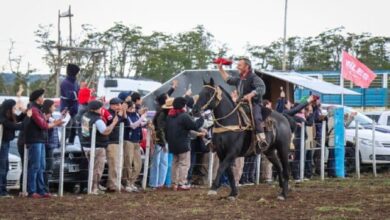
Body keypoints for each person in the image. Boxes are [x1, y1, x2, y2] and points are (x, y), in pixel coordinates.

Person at [216, 58, 267, 151]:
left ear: (247, 67)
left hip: (254, 104)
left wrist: (251, 94)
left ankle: (261, 139)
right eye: (238, 65)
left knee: (256, 117)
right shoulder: (239, 78)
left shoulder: (254, 78)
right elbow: (228, 79)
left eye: (240, 65)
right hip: (240, 104)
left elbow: (261, 88)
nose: (237, 67)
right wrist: (220, 69)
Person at [26, 89, 63, 198]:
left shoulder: (37, 109)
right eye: (42, 96)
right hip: (36, 140)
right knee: (36, 166)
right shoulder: (34, 110)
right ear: (38, 98)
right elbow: (43, 125)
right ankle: (32, 191)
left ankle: (40, 190)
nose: (43, 98)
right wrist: (55, 123)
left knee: (41, 166)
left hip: (40, 140)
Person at [165, 97, 204, 190]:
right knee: (184, 163)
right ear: (183, 105)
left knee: (175, 163)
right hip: (182, 143)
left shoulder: (169, 116)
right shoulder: (184, 116)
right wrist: (202, 119)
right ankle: (181, 183)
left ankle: (174, 183)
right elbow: (194, 126)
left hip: (172, 144)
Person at [81, 100, 118, 195]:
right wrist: (113, 123)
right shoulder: (97, 120)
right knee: (98, 169)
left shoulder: (85, 116)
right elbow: (105, 131)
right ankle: (94, 188)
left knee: (92, 168)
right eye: (100, 108)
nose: (102, 109)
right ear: (96, 109)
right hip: (97, 146)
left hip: (86, 145)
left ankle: (92, 186)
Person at [0, 100, 30, 197]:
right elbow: (18, 126)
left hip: (5, 143)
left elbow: (17, 118)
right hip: (2, 144)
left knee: (5, 167)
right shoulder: (3, 119)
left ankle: (3, 189)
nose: (14, 109)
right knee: (2, 168)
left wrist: (24, 114)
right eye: (13, 108)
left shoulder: (7, 117)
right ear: (8, 109)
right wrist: (28, 117)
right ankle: (1, 191)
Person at [123, 100, 147, 192]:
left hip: (137, 141)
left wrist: (146, 122)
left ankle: (132, 181)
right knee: (128, 162)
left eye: (133, 107)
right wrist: (142, 118)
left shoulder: (136, 114)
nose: (133, 109)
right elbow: (132, 126)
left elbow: (140, 124)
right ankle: (127, 183)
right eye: (131, 108)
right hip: (128, 141)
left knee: (138, 163)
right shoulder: (127, 116)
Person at [148, 98, 173, 189]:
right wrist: (163, 143)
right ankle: (155, 183)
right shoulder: (162, 115)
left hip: (163, 140)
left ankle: (159, 183)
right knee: (158, 162)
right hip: (160, 141)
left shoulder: (164, 115)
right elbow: (160, 130)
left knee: (162, 162)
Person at [42, 99, 65, 193]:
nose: (55, 108)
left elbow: (56, 123)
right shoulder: (44, 116)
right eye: (53, 106)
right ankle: (44, 189)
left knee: (49, 167)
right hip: (47, 144)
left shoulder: (50, 116)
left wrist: (61, 118)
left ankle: (45, 188)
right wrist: (56, 123)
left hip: (51, 144)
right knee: (47, 167)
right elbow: (48, 126)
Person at [106, 97, 127, 192]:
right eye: (118, 105)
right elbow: (113, 122)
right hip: (111, 142)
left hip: (119, 141)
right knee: (113, 164)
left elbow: (125, 121)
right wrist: (119, 114)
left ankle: (117, 182)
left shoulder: (118, 113)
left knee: (119, 164)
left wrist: (124, 111)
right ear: (112, 105)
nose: (120, 106)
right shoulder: (108, 113)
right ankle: (112, 184)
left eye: (120, 105)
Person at [60, 63, 80, 144]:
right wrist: (79, 94)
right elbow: (72, 95)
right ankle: (62, 146)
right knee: (67, 129)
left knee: (74, 129)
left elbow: (76, 94)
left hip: (74, 110)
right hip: (67, 109)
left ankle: (71, 144)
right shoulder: (65, 83)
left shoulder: (75, 82)